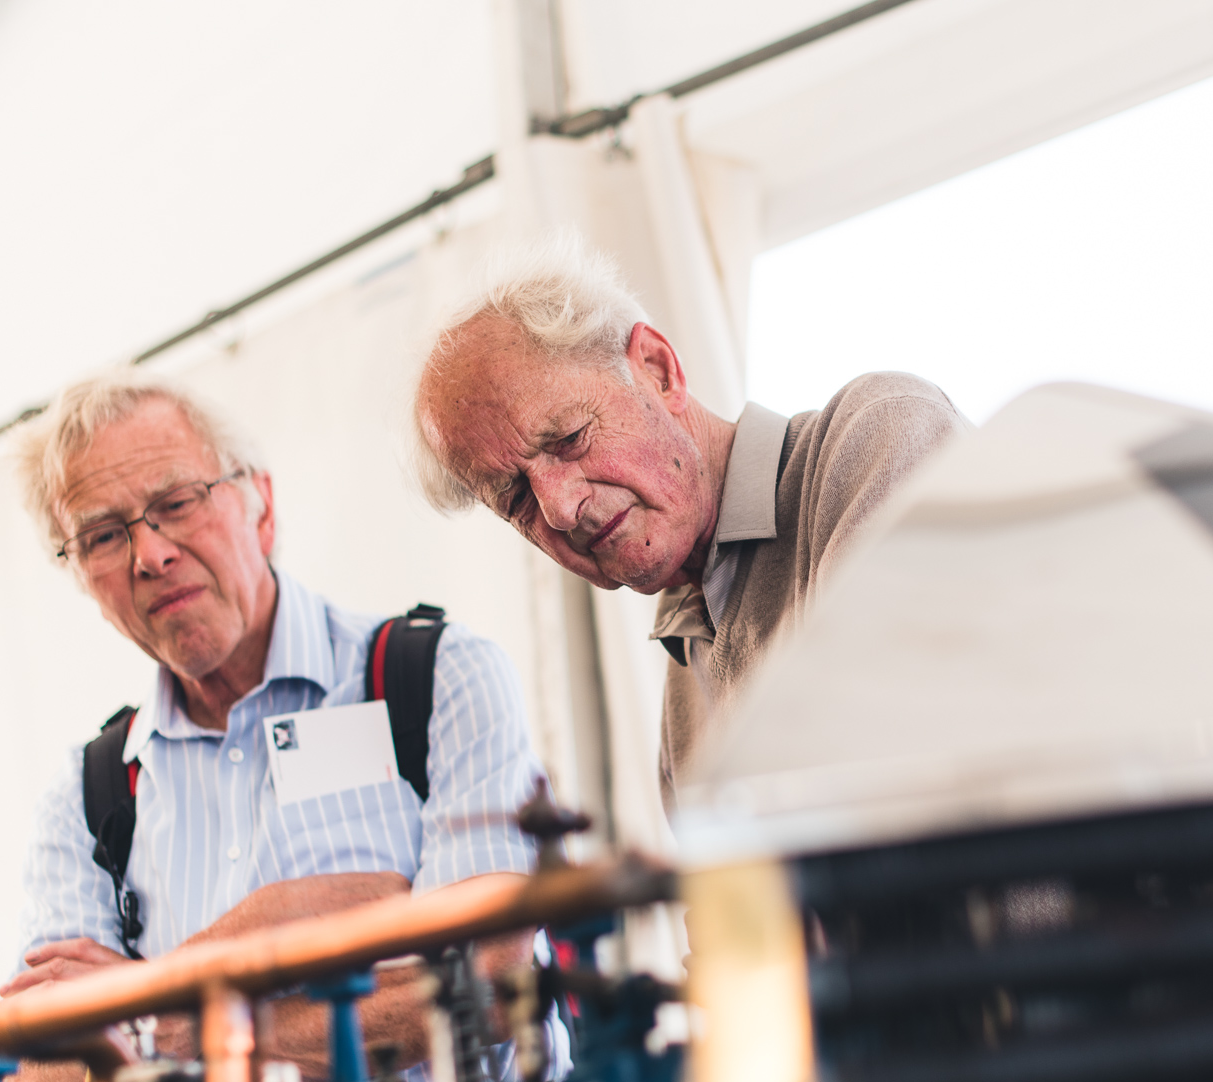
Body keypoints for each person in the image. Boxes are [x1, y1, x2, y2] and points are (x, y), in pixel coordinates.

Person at [2, 373, 557, 1082]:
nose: (150, 554)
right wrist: (292, 930)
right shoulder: (86, 798)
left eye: (175, 503)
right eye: (104, 535)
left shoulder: (433, 678)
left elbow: (489, 985)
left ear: (260, 505)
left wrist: (143, 1009)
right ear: (82, 580)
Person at [410, 237, 970, 801]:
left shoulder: (878, 436)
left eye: (569, 438)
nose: (559, 508)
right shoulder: (683, 692)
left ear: (658, 370)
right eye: (516, 499)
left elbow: (897, 796)